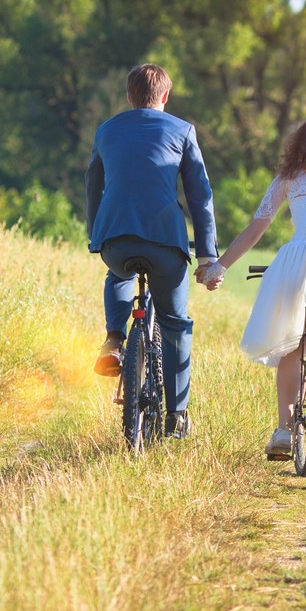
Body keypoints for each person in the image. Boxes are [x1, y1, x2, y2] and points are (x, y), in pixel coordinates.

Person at [198, 110, 306, 458]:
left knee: (291, 346)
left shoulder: (290, 176)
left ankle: (284, 431)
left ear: (303, 139)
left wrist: (220, 266)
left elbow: (256, 228)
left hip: (299, 261)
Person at [85, 63, 218, 439]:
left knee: (119, 273)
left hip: (115, 237)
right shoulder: (183, 131)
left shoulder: (107, 130)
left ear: (129, 97)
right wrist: (207, 254)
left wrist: (96, 233)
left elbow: (93, 186)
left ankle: (114, 338)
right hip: (164, 241)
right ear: (164, 97)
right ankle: (177, 415)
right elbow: (200, 196)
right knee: (175, 324)